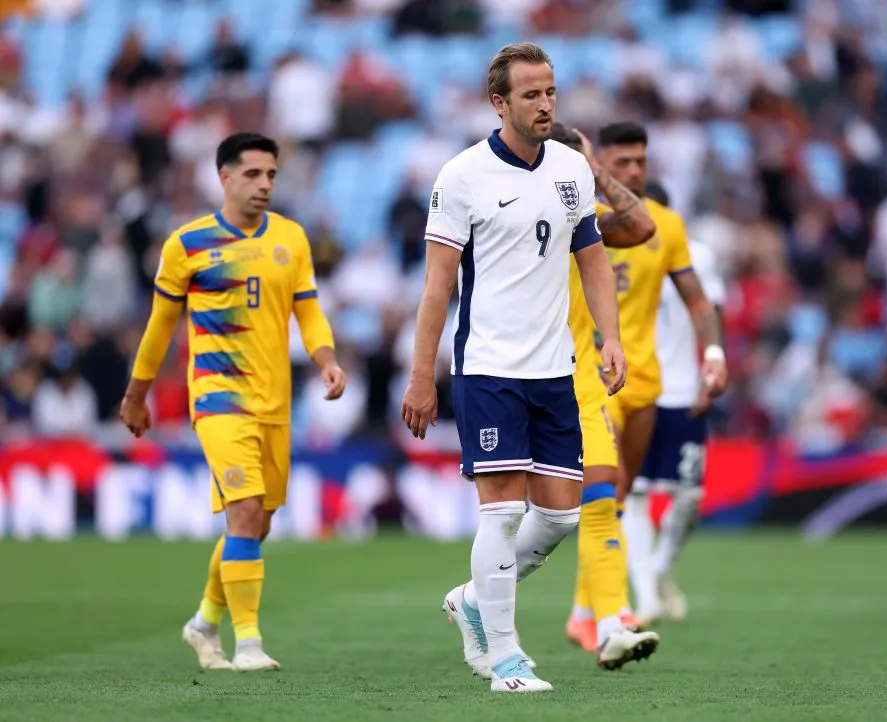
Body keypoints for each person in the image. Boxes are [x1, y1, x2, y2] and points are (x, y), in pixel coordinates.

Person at [401, 42, 625, 693]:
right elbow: (437, 286)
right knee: (500, 515)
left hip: (555, 367)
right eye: (531, 94)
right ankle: (504, 658)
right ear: (499, 103)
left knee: (558, 516)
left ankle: (474, 598)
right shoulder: (463, 175)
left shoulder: (571, 169)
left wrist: (609, 338)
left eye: (550, 91)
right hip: (490, 368)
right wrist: (423, 374)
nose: (545, 103)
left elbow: (592, 260)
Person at [119, 132, 347, 672]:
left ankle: (203, 624)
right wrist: (136, 394)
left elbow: (308, 312)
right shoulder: (188, 244)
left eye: (271, 174)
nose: (265, 184)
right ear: (224, 177)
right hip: (219, 399)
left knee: (256, 524)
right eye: (253, 174)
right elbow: (159, 326)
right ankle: (248, 642)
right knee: (244, 512)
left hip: (275, 402)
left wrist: (327, 360)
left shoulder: (291, 238)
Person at [565, 122, 728, 630]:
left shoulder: (666, 226)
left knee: (615, 499)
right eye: (623, 162)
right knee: (604, 486)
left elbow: (698, 299)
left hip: (646, 379)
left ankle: (583, 613)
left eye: (642, 161)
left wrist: (715, 353)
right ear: (600, 163)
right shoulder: (577, 217)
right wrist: (590, 177)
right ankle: (616, 615)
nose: (635, 170)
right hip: (589, 374)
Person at [549, 121, 660, 663]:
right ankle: (477, 601)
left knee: (601, 495)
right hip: (511, 381)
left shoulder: (584, 222)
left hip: (581, 379)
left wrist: (595, 172)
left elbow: (641, 225)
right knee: (525, 521)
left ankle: (612, 621)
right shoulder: (501, 213)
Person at [634, 205, 728, 621]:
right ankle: (645, 596)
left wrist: (714, 362)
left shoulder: (697, 256)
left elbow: (712, 311)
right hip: (633, 392)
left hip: (683, 389)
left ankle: (658, 568)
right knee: (633, 495)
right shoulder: (609, 247)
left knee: (690, 496)